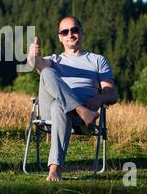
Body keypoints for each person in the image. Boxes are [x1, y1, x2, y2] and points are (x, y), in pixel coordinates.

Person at [27, 16, 118, 182]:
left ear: (82, 33)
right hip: (58, 116)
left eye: (74, 30)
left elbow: (112, 94)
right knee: (47, 73)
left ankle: (55, 169)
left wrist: (100, 98)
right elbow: (37, 63)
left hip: (79, 119)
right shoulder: (54, 60)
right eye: (65, 31)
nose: (70, 34)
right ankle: (80, 110)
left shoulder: (98, 60)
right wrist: (32, 57)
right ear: (60, 37)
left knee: (58, 106)